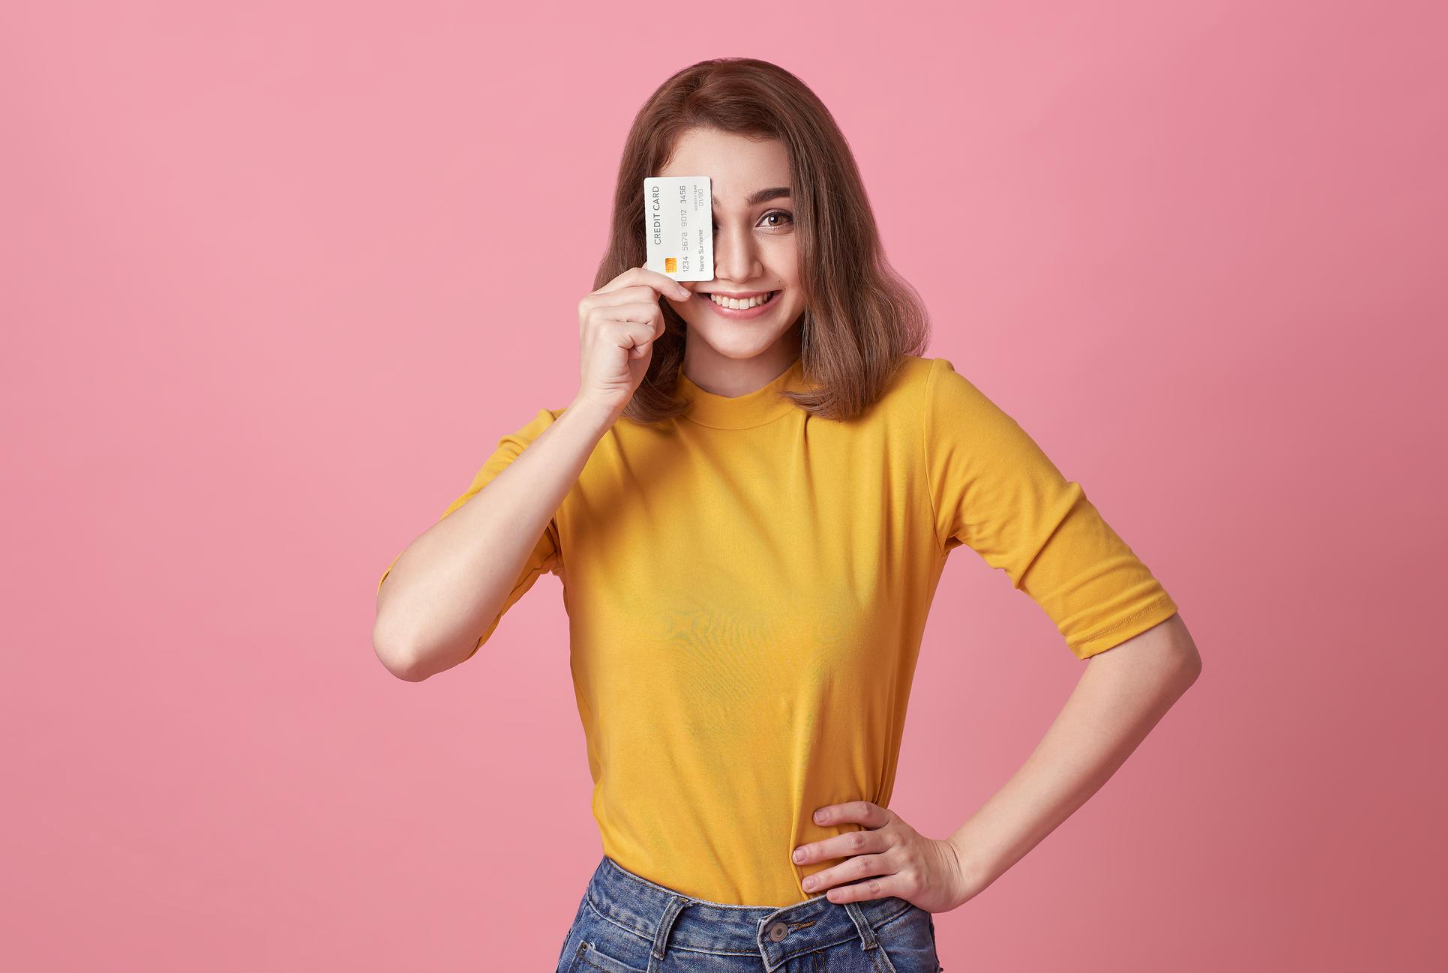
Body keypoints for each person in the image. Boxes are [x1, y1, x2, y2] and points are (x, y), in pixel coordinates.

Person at [372, 57, 1201, 973]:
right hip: (641, 943)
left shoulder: (920, 418)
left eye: (775, 216)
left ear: (824, 228)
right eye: (704, 222)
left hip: (851, 939)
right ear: (649, 238)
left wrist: (963, 859)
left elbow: (1147, 646)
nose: (738, 263)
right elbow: (411, 639)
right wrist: (593, 407)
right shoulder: (584, 446)